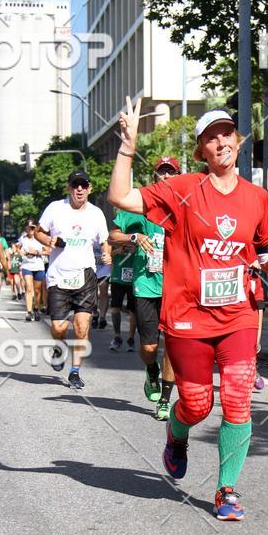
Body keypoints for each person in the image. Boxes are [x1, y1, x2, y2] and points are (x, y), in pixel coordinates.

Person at [108, 101, 268, 521]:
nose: (221, 141)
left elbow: (267, 258)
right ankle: (177, 435)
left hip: (238, 316)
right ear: (201, 150)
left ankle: (226, 490)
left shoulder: (258, 199)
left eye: (227, 132)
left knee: (237, 398)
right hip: (188, 316)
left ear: (238, 141)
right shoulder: (182, 189)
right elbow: (119, 196)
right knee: (196, 404)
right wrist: (128, 145)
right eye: (211, 136)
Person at [108, 156, 179, 420]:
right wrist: (134, 237)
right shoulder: (137, 205)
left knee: (172, 346)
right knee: (149, 348)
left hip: (177, 287)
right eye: (162, 172)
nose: (167, 176)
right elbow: (112, 236)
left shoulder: (184, 207)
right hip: (146, 285)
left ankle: (165, 399)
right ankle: (151, 373)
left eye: (171, 172)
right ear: (155, 176)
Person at [35, 170, 111, 389]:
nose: (79, 189)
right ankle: (58, 347)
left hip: (85, 274)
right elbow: (38, 232)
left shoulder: (96, 213)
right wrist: (50, 240)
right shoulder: (55, 208)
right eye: (75, 185)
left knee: (82, 326)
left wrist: (106, 253)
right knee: (59, 327)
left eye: (84, 185)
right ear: (69, 187)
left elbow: (104, 241)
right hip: (59, 275)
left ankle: (75, 371)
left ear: (89, 188)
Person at [108, 234, 137, 352]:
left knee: (133, 310)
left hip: (133, 277)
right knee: (115, 307)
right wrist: (118, 251)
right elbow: (108, 256)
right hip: (117, 277)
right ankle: (117, 336)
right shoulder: (116, 235)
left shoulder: (139, 235)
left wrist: (136, 250)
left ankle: (131, 338)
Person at [19, 219, 46, 321]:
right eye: (28, 227)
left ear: (36, 228)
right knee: (29, 287)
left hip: (38, 266)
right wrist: (21, 252)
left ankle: (36, 308)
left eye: (33, 227)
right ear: (26, 228)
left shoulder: (40, 238)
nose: (30, 229)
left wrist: (37, 252)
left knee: (38, 291)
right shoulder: (23, 238)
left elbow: (49, 251)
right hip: (27, 266)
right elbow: (17, 247)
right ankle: (29, 311)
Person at [92, 243, 110, 330]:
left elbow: (109, 251)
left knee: (104, 291)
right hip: (92, 268)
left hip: (104, 268)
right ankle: (95, 313)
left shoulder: (106, 236)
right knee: (93, 293)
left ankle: (102, 317)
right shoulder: (89, 234)